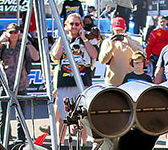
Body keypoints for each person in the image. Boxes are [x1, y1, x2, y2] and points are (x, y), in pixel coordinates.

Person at [51, 13, 97, 143]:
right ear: (66, 25)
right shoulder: (62, 40)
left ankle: (83, 143)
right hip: (65, 82)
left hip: (83, 82)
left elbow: (94, 54)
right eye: (71, 24)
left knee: (83, 117)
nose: (74, 27)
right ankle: (60, 144)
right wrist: (62, 36)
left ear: (81, 25)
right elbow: (55, 56)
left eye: (77, 24)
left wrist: (84, 38)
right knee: (63, 117)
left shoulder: (88, 39)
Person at [98, 17, 141, 86]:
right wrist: (111, 48)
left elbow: (142, 57)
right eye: (117, 30)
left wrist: (130, 44)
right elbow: (102, 61)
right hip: (112, 82)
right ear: (113, 29)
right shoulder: (107, 42)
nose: (119, 33)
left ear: (125, 28)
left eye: (121, 30)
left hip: (129, 82)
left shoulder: (133, 41)